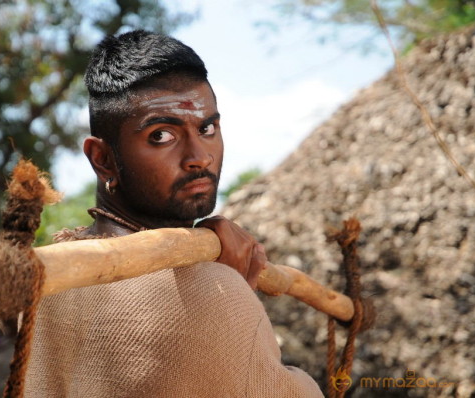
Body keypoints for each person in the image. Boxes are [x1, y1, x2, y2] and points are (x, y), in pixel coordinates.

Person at [25, 30, 323, 397]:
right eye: (161, 136)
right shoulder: (210, 292)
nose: (200, 156)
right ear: (103, 159)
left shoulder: (52, 282)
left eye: (207, 127)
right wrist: (228, 291)